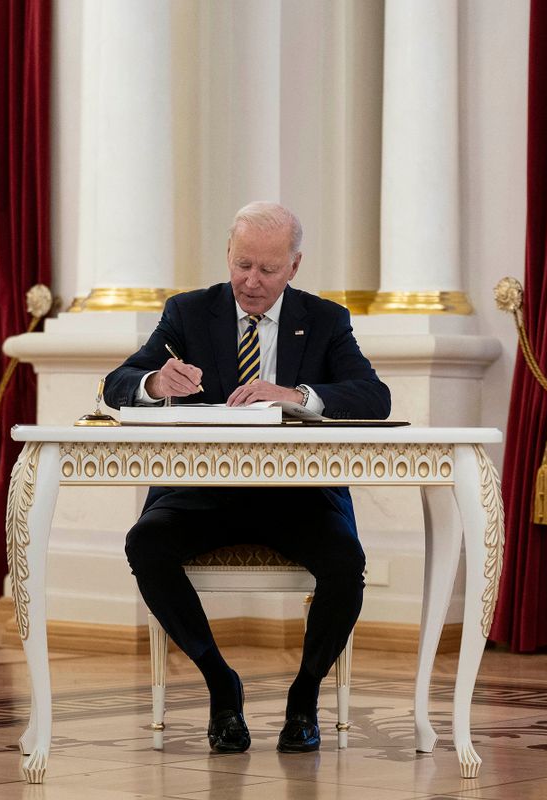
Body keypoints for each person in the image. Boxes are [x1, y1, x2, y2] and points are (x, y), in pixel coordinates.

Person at [104, 201, 391, 754]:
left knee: (345, 563)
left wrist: (295, 396)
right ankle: (220, 684)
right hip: (202, 493)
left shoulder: (325, 319)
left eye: (267, 269)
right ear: (228, 255)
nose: (250, 282)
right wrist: (156, 384)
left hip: (296, 498)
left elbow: (374, 397)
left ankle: (304, 696)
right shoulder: (188, 313)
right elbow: (121, 380)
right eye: (241, 265)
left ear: (295, 266)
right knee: (145, 543)